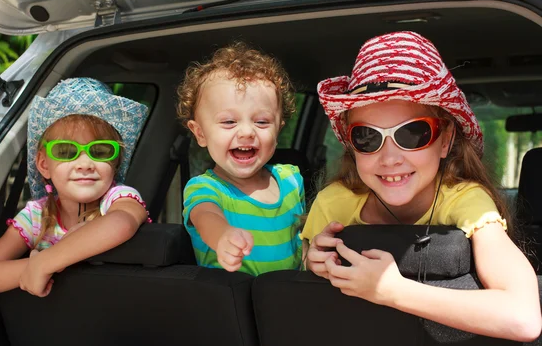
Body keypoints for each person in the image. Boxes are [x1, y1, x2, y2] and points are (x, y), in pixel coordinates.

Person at [302, 31, 541, 342]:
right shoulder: (333, 202)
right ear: (351, 145)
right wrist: (313, 262)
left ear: (445, 140)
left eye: (412, 133)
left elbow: (523, 317)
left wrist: (393, 290)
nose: (389, 158)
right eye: (367, 137)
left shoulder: (467, 201)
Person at [0, 77, 150, 297]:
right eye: (65, 151)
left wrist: (47, 261)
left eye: (100, 151)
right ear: (44, 165)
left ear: (115, 161)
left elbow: (122, 223)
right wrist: (34, 267)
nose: (84, 164)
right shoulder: (37, 216)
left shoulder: (118, 198)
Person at [176, 42, 304, 276]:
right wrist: (223, 235)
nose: (247, 132)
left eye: (262, 122)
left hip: (288, 302)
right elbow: (206, 216)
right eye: (229, 122)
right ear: (200, 133)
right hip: (231, 307)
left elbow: (301, 239)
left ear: (278, 131)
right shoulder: (204, 188)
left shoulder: (292, 180)